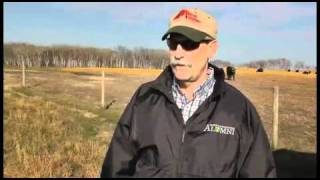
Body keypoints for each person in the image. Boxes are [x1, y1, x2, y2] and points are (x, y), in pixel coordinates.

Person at [100, 8, 276, 178]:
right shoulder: (145, 98)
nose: (177, 53)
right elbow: (116, 167)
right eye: (173, 43)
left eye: (189, 44)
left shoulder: (239, 110)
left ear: (212, 48)